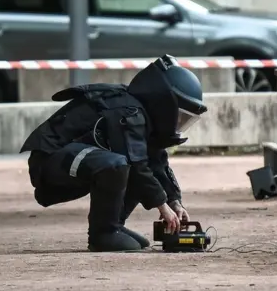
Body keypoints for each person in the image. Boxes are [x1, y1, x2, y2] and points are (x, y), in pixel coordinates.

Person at [20, 54, 208, 252]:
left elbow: (155, 163)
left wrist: (175, 202)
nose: (179, 124)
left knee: (130, 166)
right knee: (119, 164)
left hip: (75, 160)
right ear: (165, 104)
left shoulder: (142, 116)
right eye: (179, 116)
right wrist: (162, 206)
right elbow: (136, 165)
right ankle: (103, 233)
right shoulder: (127, 112)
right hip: (50, 163)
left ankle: (114, 227)